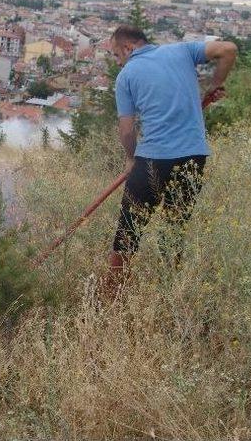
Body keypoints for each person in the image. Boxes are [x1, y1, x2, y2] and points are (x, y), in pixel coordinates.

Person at [101, 25, 237, 301]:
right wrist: (215, 84)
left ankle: (109, 300)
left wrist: (131, 158)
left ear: (129, 48)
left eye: (117, 55)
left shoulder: (126, 75)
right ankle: (171, 296)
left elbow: (126, 130)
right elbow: (228, 49)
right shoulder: (183, 51)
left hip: (153, 159)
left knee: (128, 232)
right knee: (174, 230)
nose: (117, 62)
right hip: (193, 157)